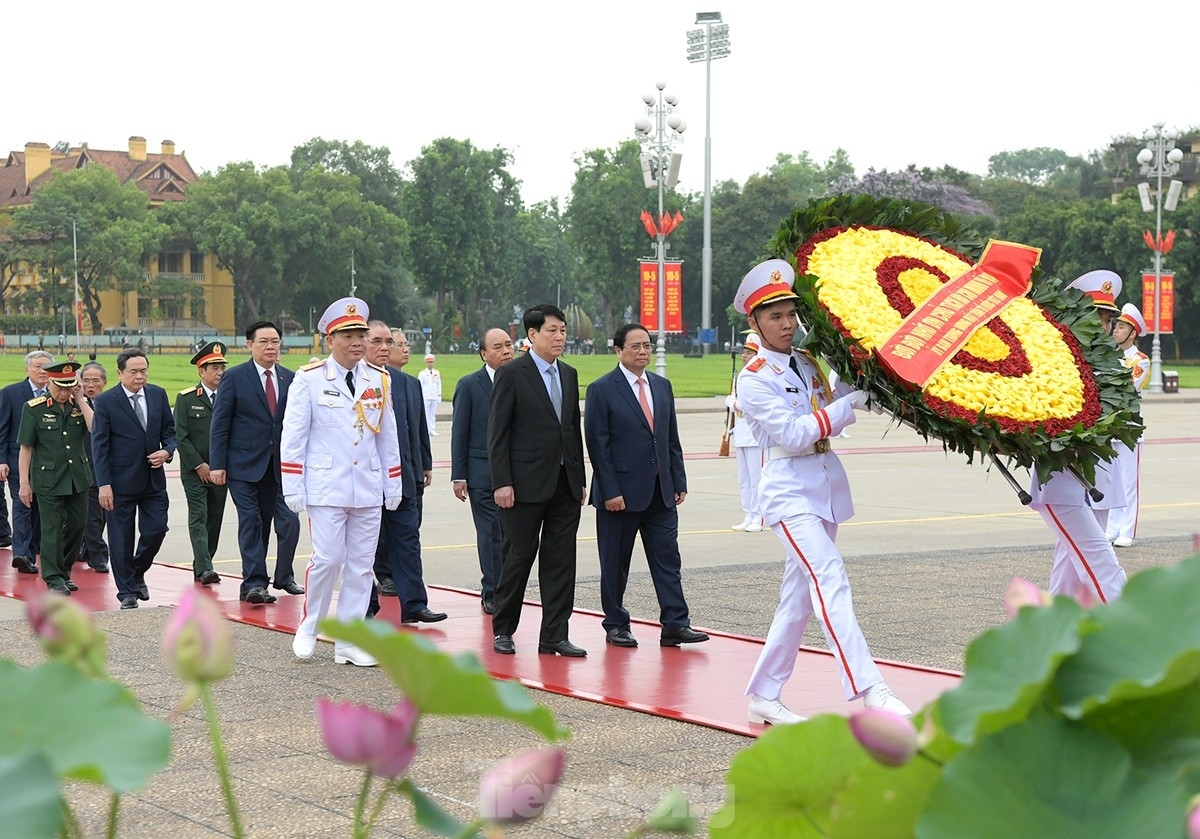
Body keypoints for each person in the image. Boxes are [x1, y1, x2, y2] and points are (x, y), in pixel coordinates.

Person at [734, 259, 911, 725]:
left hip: (823, 487)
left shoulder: (807, 361)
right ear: (754, 322)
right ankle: (871, 689)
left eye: (791, 313)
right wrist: (849, 406)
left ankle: (764, 695)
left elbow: (830, 402)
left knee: (797, 600)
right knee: (829, 577)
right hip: (788, 491)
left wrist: (861, 368)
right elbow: (794, 434)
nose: (787, 323)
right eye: (775, 316)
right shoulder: (753, 378)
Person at [282, 298, 403, 667]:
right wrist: (292, 484)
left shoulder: (378, 379)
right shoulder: (310, 379)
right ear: (329, 339)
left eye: (361, 335)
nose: (357, 341)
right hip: (326, 486)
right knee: (329, 559)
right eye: (348, 335)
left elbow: (387, 436)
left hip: (365, 487)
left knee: (361, 566)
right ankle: (309, 625)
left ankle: (348, 641)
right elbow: (294, 435)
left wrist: (392, 482)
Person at [584, 324, 708, 649]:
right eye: (635, 346)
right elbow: (598, 444)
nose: (643, 351)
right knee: (615, 563)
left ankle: (675, 624)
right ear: (618, 350)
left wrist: (678, 480)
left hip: (661, 493)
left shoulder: (662, 386)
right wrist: (610, 490)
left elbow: (670, 439)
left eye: (647, 345)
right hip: (620, 496)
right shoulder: (602, 389)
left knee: (668, 558)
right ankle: (615, 624)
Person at [488, 304, 587, 657]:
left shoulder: (570, 374)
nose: (560, 337)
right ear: (532, 335)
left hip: (564, 483)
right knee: (519, 557)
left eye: (562, 330)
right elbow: (498, 433)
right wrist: (502, 482)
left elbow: (572, 428)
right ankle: (503, 629)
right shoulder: (513, 374)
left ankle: (555, 635)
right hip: (523, 485)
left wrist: (580, 478)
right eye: (552, 331)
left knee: (561, 560)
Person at [1028, 269, 1127, 603]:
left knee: (1070, 571)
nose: (1103, 324)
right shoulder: (1054, 358)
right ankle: (1132, 630)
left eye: (1107, 317)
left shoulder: (1110, 362)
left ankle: (1050, 638)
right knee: (1101, 561)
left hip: (1099, 480)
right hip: (1062, 478)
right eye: (1095, 315)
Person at [209, 321, 303, 604]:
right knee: (251, 521)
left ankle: (279, 576)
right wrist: (217, 464)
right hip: (242, 465)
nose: (271, 347)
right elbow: (220, 423)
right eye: (264, 341)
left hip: (279, 467)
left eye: (275, 341)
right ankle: (255, 584)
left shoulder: (291, 378)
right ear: (249, 345)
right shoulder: (235, 377)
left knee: (281, 523)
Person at [363, 322, 444, 623]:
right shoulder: (354, 382)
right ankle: (368, 606)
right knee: (364, 547)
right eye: (377, 342)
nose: (384, 348)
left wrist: (423, 464)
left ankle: (415, 604)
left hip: (403, 479)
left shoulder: (406, 383)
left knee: (408, 542)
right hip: (366, 480)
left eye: (388, 342)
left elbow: (417, 428)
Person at [91, 349, 176, 609]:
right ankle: (126, 591)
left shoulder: (158, 394)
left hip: (153, 480)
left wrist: (167, 451)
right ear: (119, 373)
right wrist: (104, 484)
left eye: (144, 371)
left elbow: (170, 431)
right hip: (119, 482)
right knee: (120, 539)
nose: (140, 376)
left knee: (157, 530)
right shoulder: (106, 401)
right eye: (134, 372)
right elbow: (100, 445)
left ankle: (137, 571)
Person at [451, 327, 514, 614]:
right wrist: (459, 475)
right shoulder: (469, 385)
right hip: (482, 475)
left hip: (517, 475)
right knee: (490, 535)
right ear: (483, 354)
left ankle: (508, 588)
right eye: (498, 347)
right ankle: (493, 591)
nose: (506, 351)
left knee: (511, 537)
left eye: (509, 345)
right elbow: (459, 432)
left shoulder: (522, 380)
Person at [17, 362, 93, 594]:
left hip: (77, 478)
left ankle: (64, 570)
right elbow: (26, 448)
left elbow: (95, 429)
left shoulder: (78, 405)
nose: (64, 393)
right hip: (48, 479)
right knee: (51, 529)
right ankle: (53, 578)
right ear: (49, 383)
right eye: (60, 387)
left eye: (69, 387)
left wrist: (81, 399)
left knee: (77, 526)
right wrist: (24, 483)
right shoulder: (34, 408)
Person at [174, 342, 228, 586]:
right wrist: (199, 465)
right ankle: (206, 568)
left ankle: (203, 564)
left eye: (221, 368)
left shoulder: (228, 397)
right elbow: (181, 437)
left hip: (221, 471)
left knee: (214, 519)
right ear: (201, 371)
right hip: (194, 472)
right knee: (199, 516)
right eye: (214, 368)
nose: (219, 373)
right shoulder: (186, 399)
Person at [0, 350, 53, 573]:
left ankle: (35, 546)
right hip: (17, 462)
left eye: (46, 367)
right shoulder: (11, 393)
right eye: (37, 366)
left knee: (41, 509)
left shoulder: (58, 393)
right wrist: (1, 460)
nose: (42, 371)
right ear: (27, 369)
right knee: (23, 505)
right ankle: (22, 554)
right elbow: (2, 430)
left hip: (49, 464)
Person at [1106, 303, 1149, 548]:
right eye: (1116, 325)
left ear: (1132, 333)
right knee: (1112, 482)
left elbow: (1125, 387)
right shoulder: (1111, 356)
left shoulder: (1140, 361)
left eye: (1121, 327)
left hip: (1129, 428)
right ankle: (1112, 527)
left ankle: (1128, 530)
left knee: (1129, 482)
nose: (1115, 330)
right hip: (1111, 427)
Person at [727, 333, 765, 532]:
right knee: (744, 479)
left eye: (749, 352)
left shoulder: (759, 375)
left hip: (755, 435)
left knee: (757, 479)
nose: (744, 355)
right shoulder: (742, 374)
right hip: (741, 432)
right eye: (744, 351)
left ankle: (759, 517)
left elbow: (751, 404)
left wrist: (733, 403)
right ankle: (748, 514)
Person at [77, 361, 110, 573]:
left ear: (104, 383)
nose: (90, 385)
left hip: (108, 467)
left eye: (95, 381)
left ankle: (86, 548)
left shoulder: (112, 403)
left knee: (103, 514)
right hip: (85, 466)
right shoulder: (74, 404)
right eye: (86, 381)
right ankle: (98, 555)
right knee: (92, 515)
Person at [418, 354, 442, 435]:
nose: (430, 364)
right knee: (426, 414)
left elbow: (439, 384)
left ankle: (432, 429)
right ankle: (426, 429)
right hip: (426, 396)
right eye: (428, 362)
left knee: (432, 414)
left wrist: (439, 395)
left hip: (434, 396)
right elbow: (420, 385)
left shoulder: (437, 372)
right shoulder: (422, 373)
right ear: (426, 363)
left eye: (431, 362)